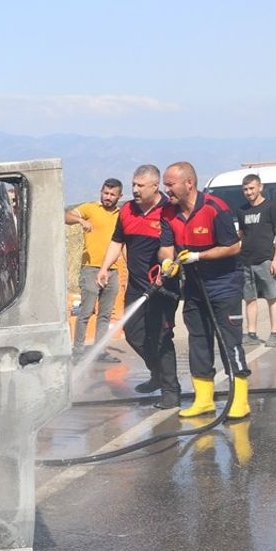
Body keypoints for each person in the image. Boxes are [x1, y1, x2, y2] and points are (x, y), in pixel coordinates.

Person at [158, 161, 250, 420]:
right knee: (198, 341)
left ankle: (240, 400)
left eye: (171, 184)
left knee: (229, 340)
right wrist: (167, 262)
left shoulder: (214, 208)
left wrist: (199, 257)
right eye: (165, 184)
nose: (167, 190)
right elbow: (166, 246)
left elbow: (233, 247)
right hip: (194, 289)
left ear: (189, 183)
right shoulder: (168, 213)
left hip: (224, 285)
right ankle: (204, 400)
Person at [97, 165, 181, 408]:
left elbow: (176, 247)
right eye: (133, 184)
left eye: (139, 186)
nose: (134, 190)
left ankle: (170, 392)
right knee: (133, 333)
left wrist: (167, 271)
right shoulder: (127, 211)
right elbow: (117, 242)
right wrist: (104, 268)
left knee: (162, 337)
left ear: (155, 186)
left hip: (162, 286)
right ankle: (156, 372)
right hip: (137, 286)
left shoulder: (169, 211)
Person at [65, 179, 124, 362]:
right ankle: (78, 351)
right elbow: (65, 216)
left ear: (119, 196)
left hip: (112, 270)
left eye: (112, 194)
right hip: (90, 268)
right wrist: (80, 220)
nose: (108, 197)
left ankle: (100, 351)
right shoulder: (90, 209)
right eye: (106, 193)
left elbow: (123, 242)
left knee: (105, 314)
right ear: (101, 191)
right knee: (86, 311)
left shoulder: (121, 215)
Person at [237, 174, 276, 347]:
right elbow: (241, 234)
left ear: (260, 187)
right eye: (245, 189)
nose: (249, 192)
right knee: (249, 298)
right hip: (246, 260)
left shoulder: (270, 207)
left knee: (272, 297)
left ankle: (274, 333)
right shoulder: (241, 211)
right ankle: (251, 333)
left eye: (251, 188)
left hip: (265, 260)